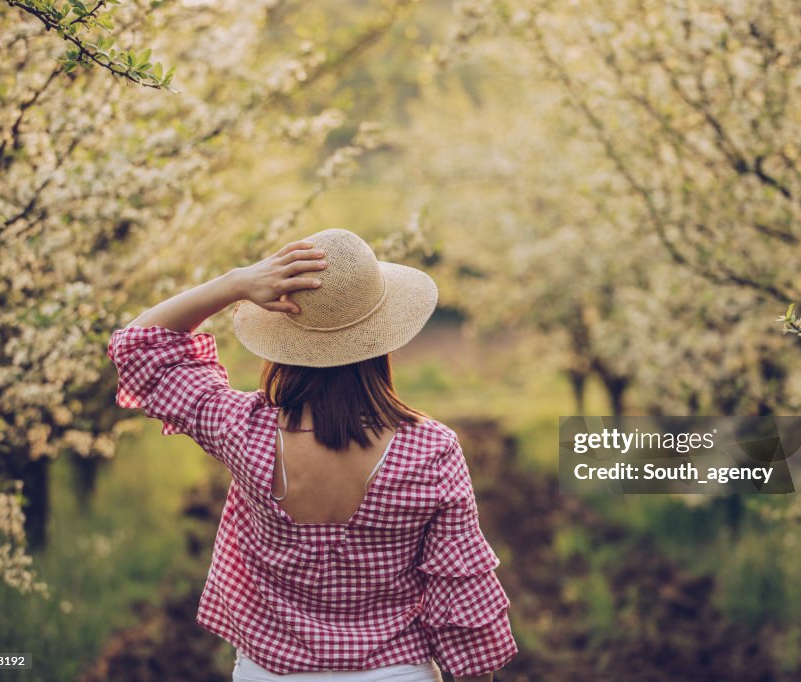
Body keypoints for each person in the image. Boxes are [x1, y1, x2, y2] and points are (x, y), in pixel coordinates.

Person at [106, 228, 517, 682]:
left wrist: (236, 283)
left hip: (268, 673)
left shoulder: (243, 431)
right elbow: (460, 596)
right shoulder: (432, 451)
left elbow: (140, 344)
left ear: (284, 343)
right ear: (382, 341)